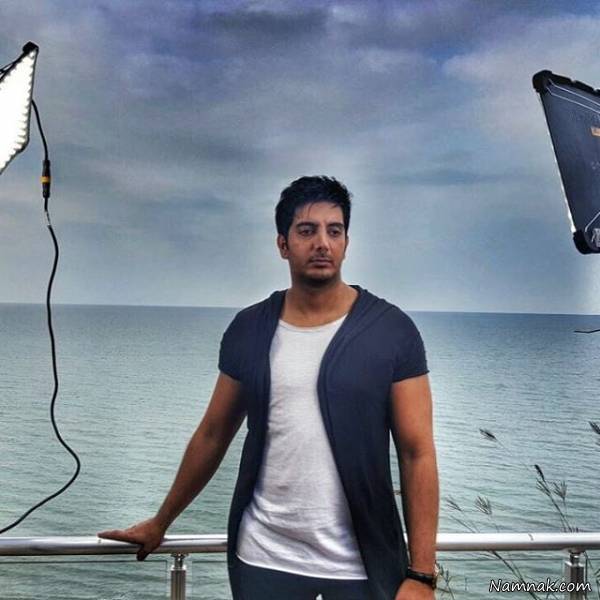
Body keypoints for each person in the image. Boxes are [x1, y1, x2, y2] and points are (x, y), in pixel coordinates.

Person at [98, 176, 439, 600]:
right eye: (307, 230)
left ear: (347, 243)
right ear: (283, 244)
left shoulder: (392, 331)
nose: (322, 243)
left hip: (360, 567)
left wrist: (422, 574)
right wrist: (161, 521)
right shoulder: (250, 328)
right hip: (264, 559)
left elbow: (417, 452)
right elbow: (213, 434)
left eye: (334, 231)